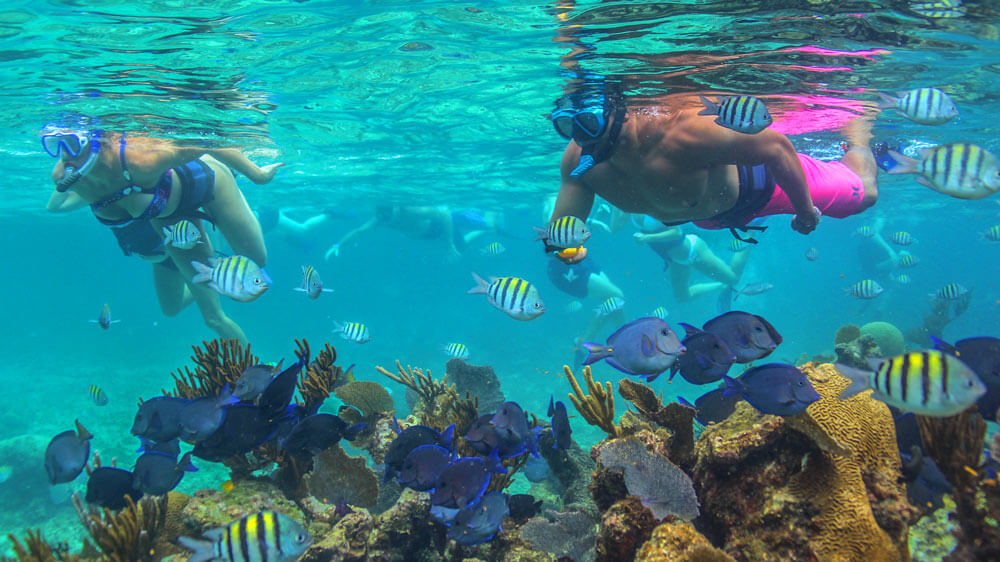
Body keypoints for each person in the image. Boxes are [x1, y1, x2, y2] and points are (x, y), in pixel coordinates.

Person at [546, 86, 879, 250]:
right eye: (567, 126)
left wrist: (806, 213)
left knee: (864, 196)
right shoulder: (579, 164)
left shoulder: (682, 133)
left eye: (589, 123)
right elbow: (562, 231)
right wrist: (564, 252)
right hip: (708, 216)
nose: (580, 137)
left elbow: (778, 148)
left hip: (765, 185)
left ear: (622, 111)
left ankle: (859, 137)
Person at [43, 129, 281, 342]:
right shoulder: (68, 177)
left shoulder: (140, 160)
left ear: (94, 142)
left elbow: (209, 139)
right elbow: (54, 206)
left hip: (206, 180)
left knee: (256, 262)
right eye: (55, 145)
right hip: (171, 219)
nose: (65, 156)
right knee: (208, 282)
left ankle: (240, 211)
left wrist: (258, 176)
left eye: (71, 144)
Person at [631, 215, 751, 302]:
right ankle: (721, 286)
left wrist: (647, 238)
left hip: (693, 251)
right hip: (674, 261)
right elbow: (614, 228)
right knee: (682, 297)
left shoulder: (652, 200)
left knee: (733, 278)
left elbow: (677, 232)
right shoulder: (623, 202)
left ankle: (749, 234)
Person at [325, 205, 504, 262]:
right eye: (383, 219)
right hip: (429, 235)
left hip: (445, 222)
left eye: (388, 217)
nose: (388, 222)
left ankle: (493, 208)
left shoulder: (408, 211)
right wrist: (338, 244)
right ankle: (488, 229)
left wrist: (449, 243)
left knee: (485, 226)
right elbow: (358, 231)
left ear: (393, 210)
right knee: (463, 246)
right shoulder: (381, 219)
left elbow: (444, 215)